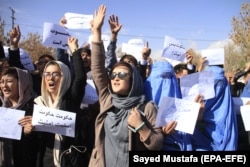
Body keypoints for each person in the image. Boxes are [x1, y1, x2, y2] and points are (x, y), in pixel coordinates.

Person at [88, 5, 163, 167]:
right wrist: (97, 32)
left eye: (122, 75)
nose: (115, 78)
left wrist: (141, 127)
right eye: (113, 75)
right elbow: (98, 69)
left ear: (133, 80)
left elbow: (157, 144)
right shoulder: (107, 99)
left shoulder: (146, 107)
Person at [21, 36, 86, 167]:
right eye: (47, 74)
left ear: (65, 76)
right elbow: (35, 140)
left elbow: (80, 77)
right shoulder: (38, 104)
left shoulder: (71, 99)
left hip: (68, 160)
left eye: (56, 74)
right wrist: (28, 132)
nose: (51, 78)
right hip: (45, 160)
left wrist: (74, 50)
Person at [191, 65, 238, 150]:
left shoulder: (229, 109)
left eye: (218, 83)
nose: (215, 87)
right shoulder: (196, 105)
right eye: (210, 83)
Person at [0, 67, 38, 167]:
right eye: (1, 82)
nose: (4, 86)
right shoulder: (1, 107)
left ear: (22, 83)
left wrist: (28, 133)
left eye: (9, 81)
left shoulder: (34, 107)